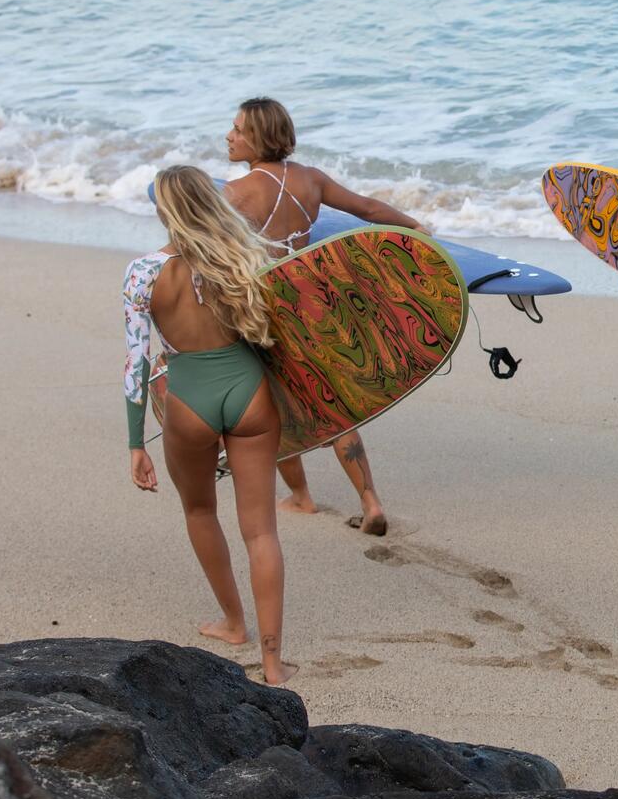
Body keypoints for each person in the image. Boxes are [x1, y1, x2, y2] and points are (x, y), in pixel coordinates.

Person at [223, 97, 424, 536]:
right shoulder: (311, 180)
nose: (229, 136)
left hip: (265, 309)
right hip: (313, 302)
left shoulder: (235, 194)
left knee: (269, 403)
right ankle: (370, 502)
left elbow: (211, 253)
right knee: (337, 403)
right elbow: (368, 210)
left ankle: (300, 497)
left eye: (238, 129)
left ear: (259, 136)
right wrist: (415, 227)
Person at [124, 166, 292, 685]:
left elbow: (136, 363)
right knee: (261, 530)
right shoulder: (245, 257)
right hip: (250, 394)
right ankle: (272, 663)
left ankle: (233, 623)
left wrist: (136, 444)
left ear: (163, 211)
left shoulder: (143, 272)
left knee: (199, 510)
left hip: (188, 399)